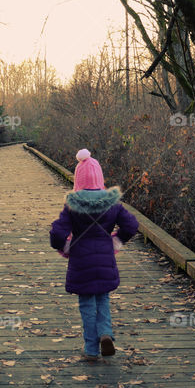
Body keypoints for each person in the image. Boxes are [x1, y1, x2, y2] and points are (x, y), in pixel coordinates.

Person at [49, 149, 139, 361]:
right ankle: (106, 333)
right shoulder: (112, 204)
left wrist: (66, 246)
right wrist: (116, 240)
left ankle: (91, 349)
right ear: (100, 178)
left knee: (87, 304)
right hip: (105, 258)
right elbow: (132, 225)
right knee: (103, 298)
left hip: (81, 260)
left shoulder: (73, 205)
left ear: (78, 180)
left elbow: (56, 233)